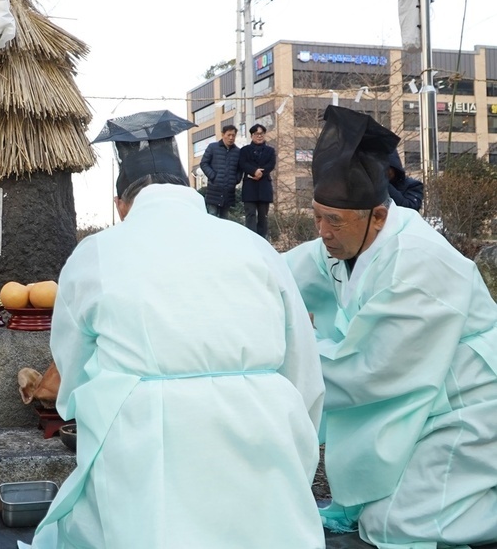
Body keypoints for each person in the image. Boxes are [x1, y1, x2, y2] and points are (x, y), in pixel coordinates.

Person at [25, 111, 325, 549]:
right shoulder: (255, 246)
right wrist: (290, 437)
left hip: (146, 438)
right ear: (187, 189)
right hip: (262, 431)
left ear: (121, 205)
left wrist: (89, 405)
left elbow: (73, 366)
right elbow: (302, 368)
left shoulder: (97, 252)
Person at [285, 105, 497, 548]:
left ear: (378, 216)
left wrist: (290, 344)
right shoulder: (348, 238)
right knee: (370, 513)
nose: (322, 231)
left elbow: (368, 370)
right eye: (317, 216)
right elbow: (281, 272)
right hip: (425, 393)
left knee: (397, 525)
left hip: (468, 402)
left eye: (333, 220)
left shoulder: (418, 264)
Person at [238, 123, 276, 238]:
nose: (259, 136)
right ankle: (251, 239)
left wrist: (261, 173)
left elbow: (271, 164)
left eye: (261, 134)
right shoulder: (244, 150)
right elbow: (242, 163)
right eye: (256, 134)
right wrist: (254, 171)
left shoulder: (270, 150)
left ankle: (263, 239)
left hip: (264, 186)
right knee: (250, 215)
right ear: (252, 135)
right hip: (250, 187)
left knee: (263, 216)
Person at [199, 123, 241, 218]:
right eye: (228, 135)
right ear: (223, 135)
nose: (231, 138)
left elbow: (240, 169)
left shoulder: (238, 152)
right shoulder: (212, 147)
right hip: (214, 190)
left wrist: (236, 180)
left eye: (233, 135)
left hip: (228, 192)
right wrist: (213, 176)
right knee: (212, 218)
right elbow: (204, 163)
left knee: (224, 220)